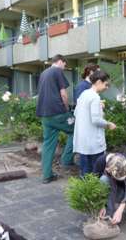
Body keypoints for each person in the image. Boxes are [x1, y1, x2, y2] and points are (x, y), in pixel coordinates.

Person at [36, 54, 75, 184]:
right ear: (59, 61)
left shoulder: (43, 73)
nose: (64, 67)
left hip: (44, 114)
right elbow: (63, 94)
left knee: (48, 143)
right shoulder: (57, 71)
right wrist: (67, 108)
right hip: (58, 112)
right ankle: (66, 160)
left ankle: (47, 175)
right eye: (64, 64)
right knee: (77, 131)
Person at [73, 71, 116, 177]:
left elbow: (76, 112)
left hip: (83, 141)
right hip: (93, 142)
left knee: (85, 171)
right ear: (98, 82)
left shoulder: (84, 94)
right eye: (106, 84)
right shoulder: (95, 97)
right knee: (96, 172)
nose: (107, 87)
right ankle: (95, 192)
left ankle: (84, 192)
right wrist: (108, 124)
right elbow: (96, 119)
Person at [93, 153, 126, 225]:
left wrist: (120, 210)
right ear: (108, 169)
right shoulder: (101, 162)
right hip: (111, 185)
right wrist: (101, 204)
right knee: (103, 179)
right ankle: (107, 209)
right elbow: (95, 184)